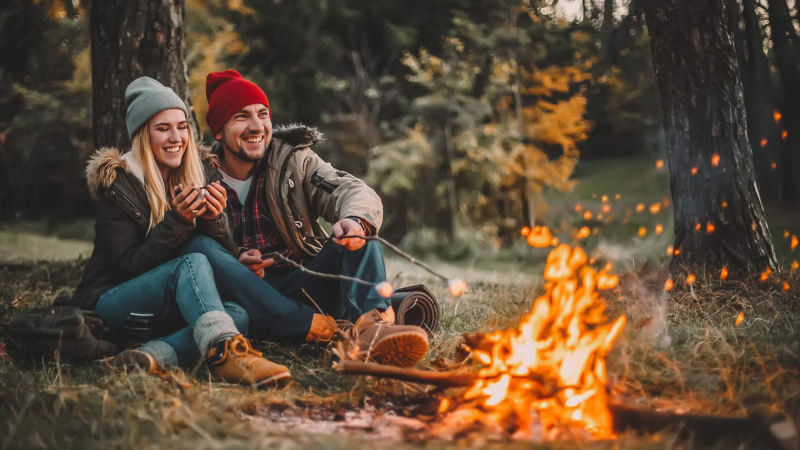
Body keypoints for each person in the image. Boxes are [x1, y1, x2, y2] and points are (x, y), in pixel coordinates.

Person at [179, 70, 428, 368]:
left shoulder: (293, 161)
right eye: (241, 117)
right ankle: (315, 327)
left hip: (304, 283)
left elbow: (349, 189)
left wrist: (356, 219)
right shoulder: (195, 177)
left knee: (359, 232)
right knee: (199, 247)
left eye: (263, 114)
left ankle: (373, 331)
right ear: (218, 130)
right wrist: (236, 262)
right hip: (245, 298)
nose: (257, 126)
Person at [69, 76, 289, 386]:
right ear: (143, 134)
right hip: (111, 302)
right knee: (192, 260)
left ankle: (150, 357)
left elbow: (219, 254)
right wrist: (179, 222)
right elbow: (125, 269)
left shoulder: (201, 172)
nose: (177, 138)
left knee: (236, 313)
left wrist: (215, 219)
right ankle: (227, 354)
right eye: (163, 128)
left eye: (182, 126)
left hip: (167, 308)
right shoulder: (120, 185)